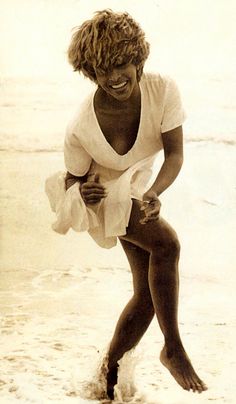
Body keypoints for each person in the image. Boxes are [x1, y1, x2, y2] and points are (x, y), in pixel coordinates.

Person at [45, 9, 207, 399]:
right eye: (103, 71)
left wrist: (155, 192)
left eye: (121, 64)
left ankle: (108, 376)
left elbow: (175, 155)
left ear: (138, 58)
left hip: (135, 191)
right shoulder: (81, 125)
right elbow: (74, 179)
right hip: (105, 197)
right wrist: (82, 193)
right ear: (90, 74)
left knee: (148, 293)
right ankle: (173, 348)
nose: (115, 77)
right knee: (167, 246)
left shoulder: (162, 90)